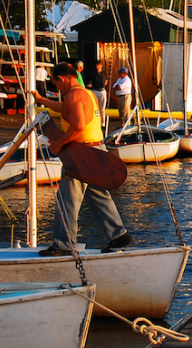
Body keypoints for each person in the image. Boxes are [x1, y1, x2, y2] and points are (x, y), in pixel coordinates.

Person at [30, 62, 132, 256]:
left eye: (56, 84)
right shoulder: (85, 93)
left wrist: (59, 144)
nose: (57, 89)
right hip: (96, 150)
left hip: (82, 155)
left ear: (62, 78)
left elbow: (77, 126)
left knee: (67, 198)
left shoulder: (74, 95)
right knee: (98, 195)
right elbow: (65, 109)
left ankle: (64, 244)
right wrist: (41, 99)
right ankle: (119, 236)